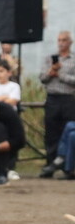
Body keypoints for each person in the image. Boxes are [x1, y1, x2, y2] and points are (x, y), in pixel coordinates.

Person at [39, 31, 75, 178]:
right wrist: (51, 71)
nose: (61, 43)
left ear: (70, 42)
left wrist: (60, 74)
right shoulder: (49, 59)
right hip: (52, 98)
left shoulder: (73, 59)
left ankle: (68, 166)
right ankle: (51, 164)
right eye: (59, 40)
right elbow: (42, 78)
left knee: (68, 131)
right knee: (51, 133)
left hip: (68, 99)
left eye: (64, 40)